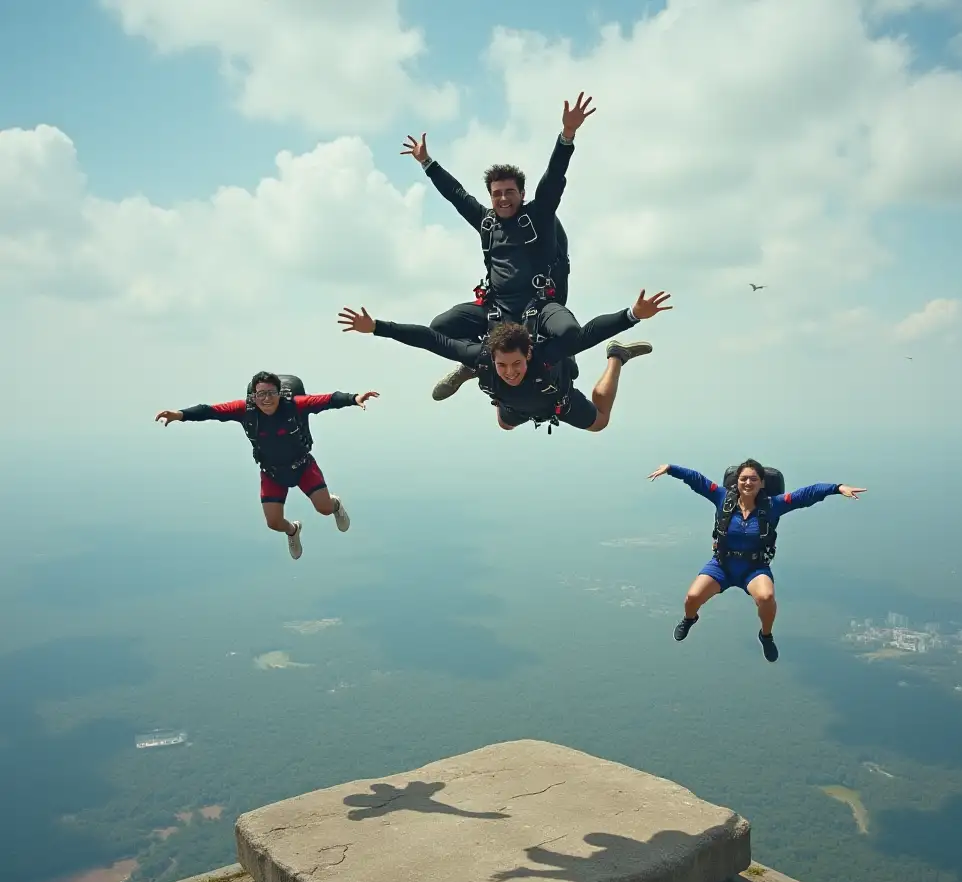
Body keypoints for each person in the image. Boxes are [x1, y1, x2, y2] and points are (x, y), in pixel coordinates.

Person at [401, 93, 596, 402]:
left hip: (537, 307)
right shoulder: (486, 222)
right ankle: (478, 363)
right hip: (496, 308)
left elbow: (554, 178)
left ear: (521, 193)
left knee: (571, 333)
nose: (503, 199)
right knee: (439, 327)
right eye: (496, 194)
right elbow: (456, 194)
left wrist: (567, 135)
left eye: (509, 192)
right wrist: (426, 162)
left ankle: (549, 362)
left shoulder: (538, 216)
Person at [338, 289, 670, 433]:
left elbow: (585, 335)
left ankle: (617, 356)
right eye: (502, 365)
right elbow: (429, 338)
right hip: (515, 403)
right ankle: (470, 373)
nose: (510, 372)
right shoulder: (484, 357)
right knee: (505, 423)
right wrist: (377, 327)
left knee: (600, 422)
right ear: (491, 358)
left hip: (556, 399)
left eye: (516, 364)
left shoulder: (542, 356)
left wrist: (631, 315)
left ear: (528, 354)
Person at [647, 459, 866, 661]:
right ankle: (689, 619)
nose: (748, 482)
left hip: (754, 568)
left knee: (766, 596)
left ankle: (766, 635)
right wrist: (671, 469)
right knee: (692, 597)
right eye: (743, 478)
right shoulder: (722, 497)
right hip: (722, 564)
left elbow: (806, 494)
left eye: (753, 479)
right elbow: (698, 480)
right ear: (737, 481)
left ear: (762, 483)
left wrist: (837, 488)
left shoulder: (773, 505)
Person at [154, 372, 379, 559]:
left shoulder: (294, 406)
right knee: (273, 523)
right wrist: (180, 415)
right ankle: (294, 530)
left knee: (324, 509)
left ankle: (336, 504)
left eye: (271, 393)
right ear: (253, 396)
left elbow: (327, 400)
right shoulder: (244, 410)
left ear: (280, 394)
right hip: (272, 473)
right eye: (261, 394)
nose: (267, 399)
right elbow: (210, 411)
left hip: (302, 467)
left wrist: (353, 398)